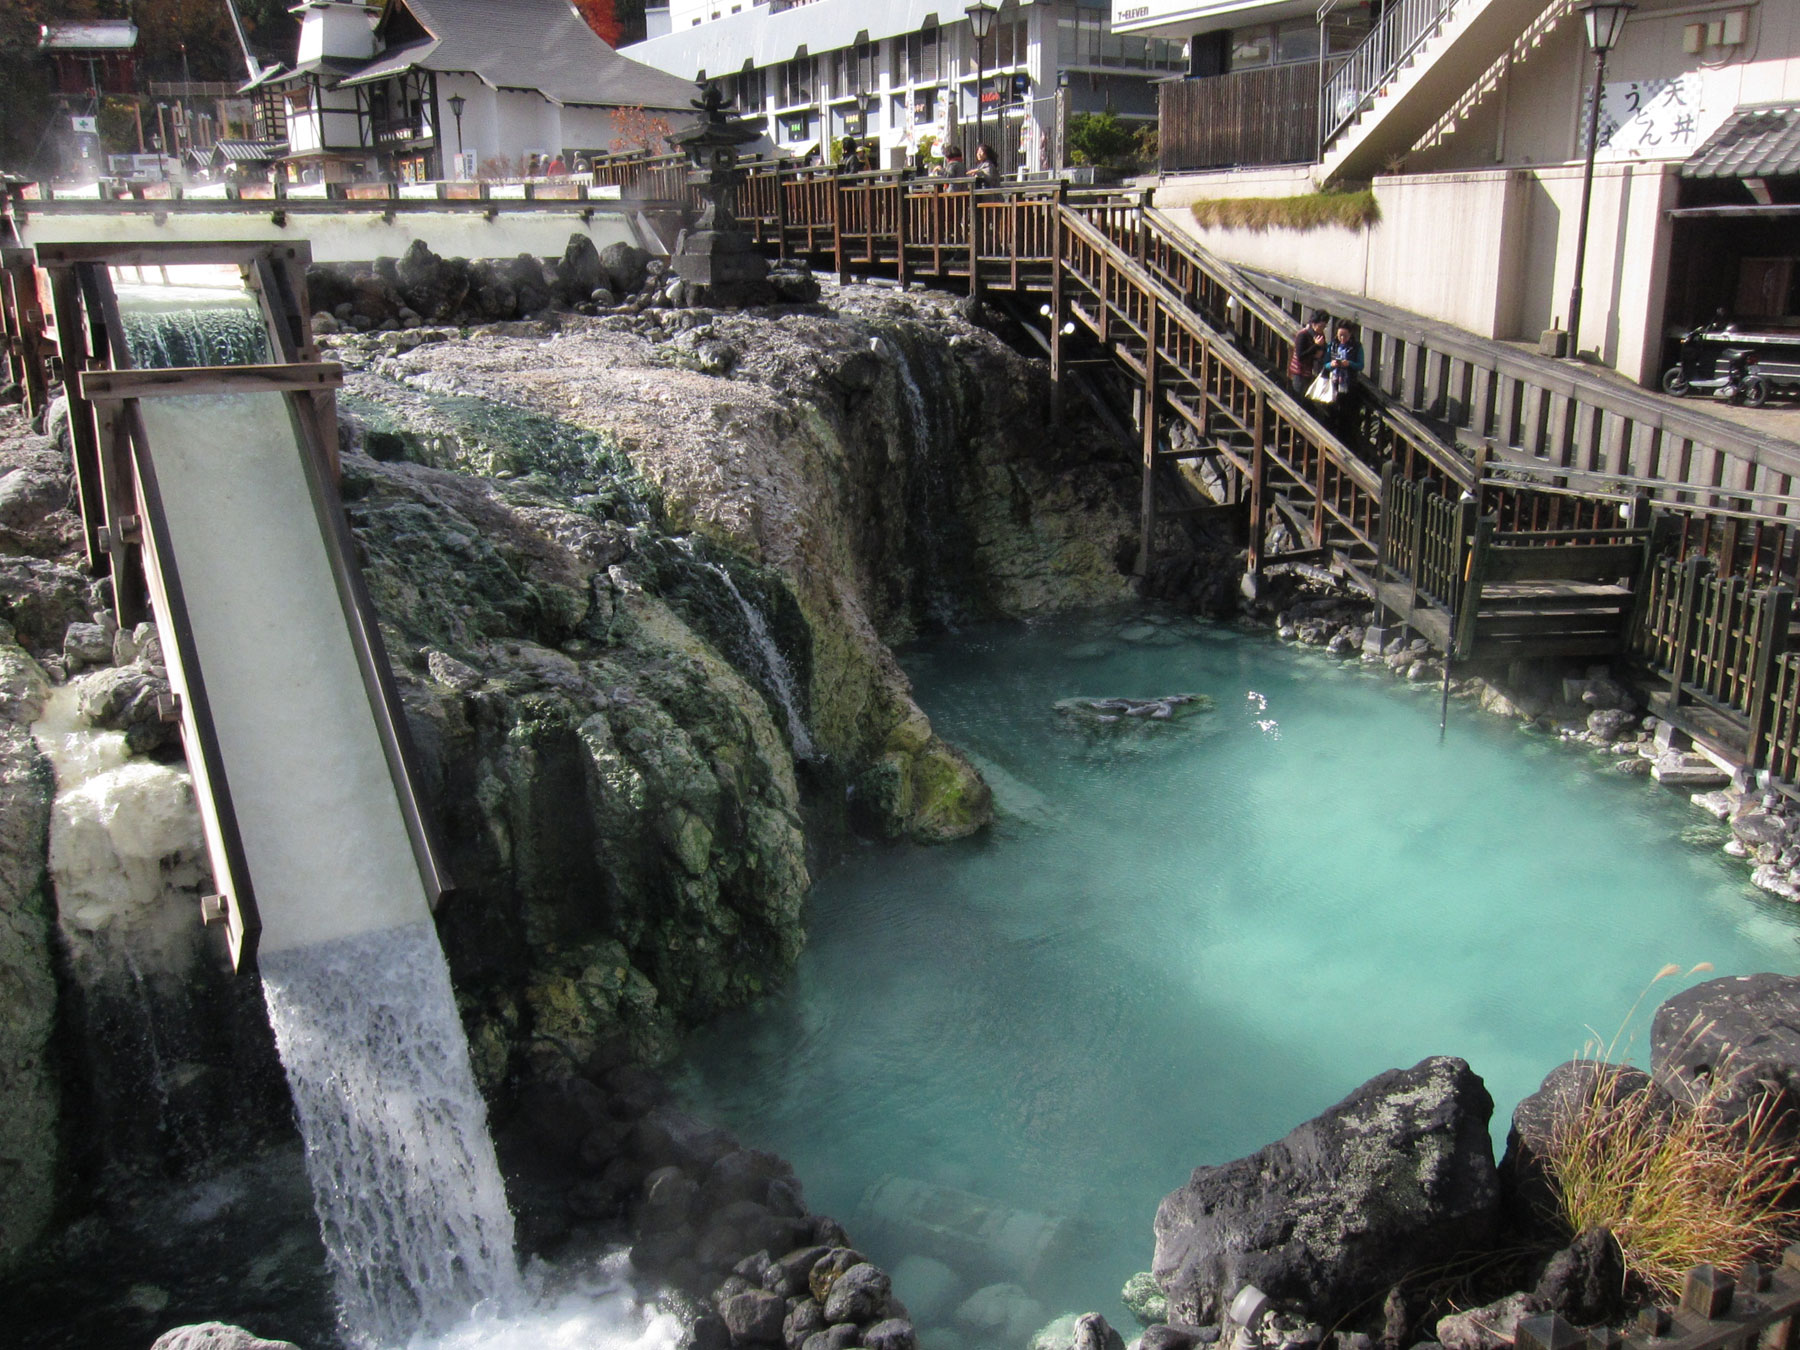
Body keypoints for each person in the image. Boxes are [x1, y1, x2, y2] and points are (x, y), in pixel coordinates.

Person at [1323, 322, 1365, 438]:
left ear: (1350, 334)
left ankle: (1345, 438)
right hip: (1333, 384)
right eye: (1340, 335)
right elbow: (1325, 364)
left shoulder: (1356, 346)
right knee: (1331, 413)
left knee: (1346, 415)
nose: (1342, 338)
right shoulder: (1332, 345)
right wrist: (1331, 364)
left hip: (1348, 384)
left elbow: (1360, 365)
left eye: (1345, 335)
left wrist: (1349, 363)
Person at [1288, 310, 1328, 399]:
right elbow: (1300, 356)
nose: (1322, 329)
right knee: (1298, 397)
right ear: (1313, 323)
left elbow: (1323, 349)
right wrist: (1316, 346)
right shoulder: (1303, 335)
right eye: (1320, 326)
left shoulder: (1320, 335)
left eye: (1324, 326)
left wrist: (1320, 353)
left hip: (1309, 372)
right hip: (1299, 372)